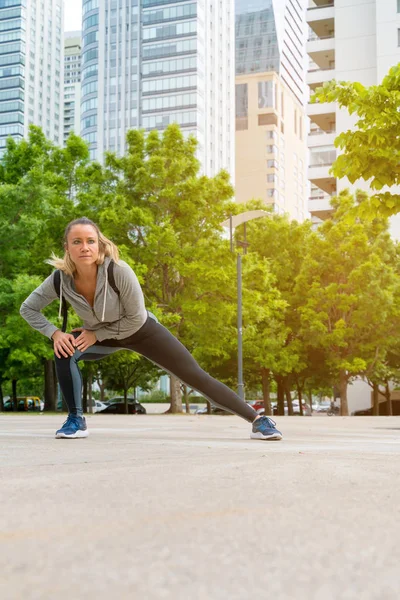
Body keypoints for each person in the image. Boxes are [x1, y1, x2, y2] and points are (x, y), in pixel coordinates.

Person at [20, 218, 282, 441]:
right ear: (66, 246)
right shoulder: (59, 279)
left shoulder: (118, 271)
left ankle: (258, 421)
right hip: (101, 336)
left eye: (90, 240)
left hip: (141, 331)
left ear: (99, 244)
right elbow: (28, 308)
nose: (84, 247)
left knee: (194, 375)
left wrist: (96, 334)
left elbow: (135, 318)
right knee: (65, 349)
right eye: (76, 241)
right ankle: (75, 421)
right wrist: (55, 333)